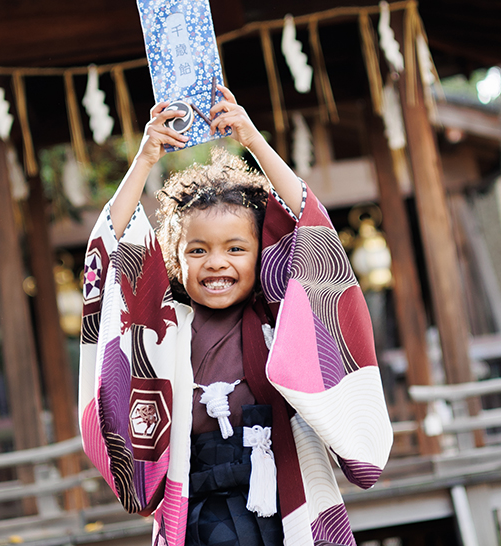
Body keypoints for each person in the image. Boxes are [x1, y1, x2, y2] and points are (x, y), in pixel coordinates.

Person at [78, 86, 393, 546]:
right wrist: (144, 160)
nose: (217, 263)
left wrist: (254, 142)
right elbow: (107, 259)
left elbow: (312, 229)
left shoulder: (279, 318)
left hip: (286, 503)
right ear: (174, 258)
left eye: (236, 248)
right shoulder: (161, 330)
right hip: (194, 515)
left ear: (262, 252)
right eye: (198, 250)